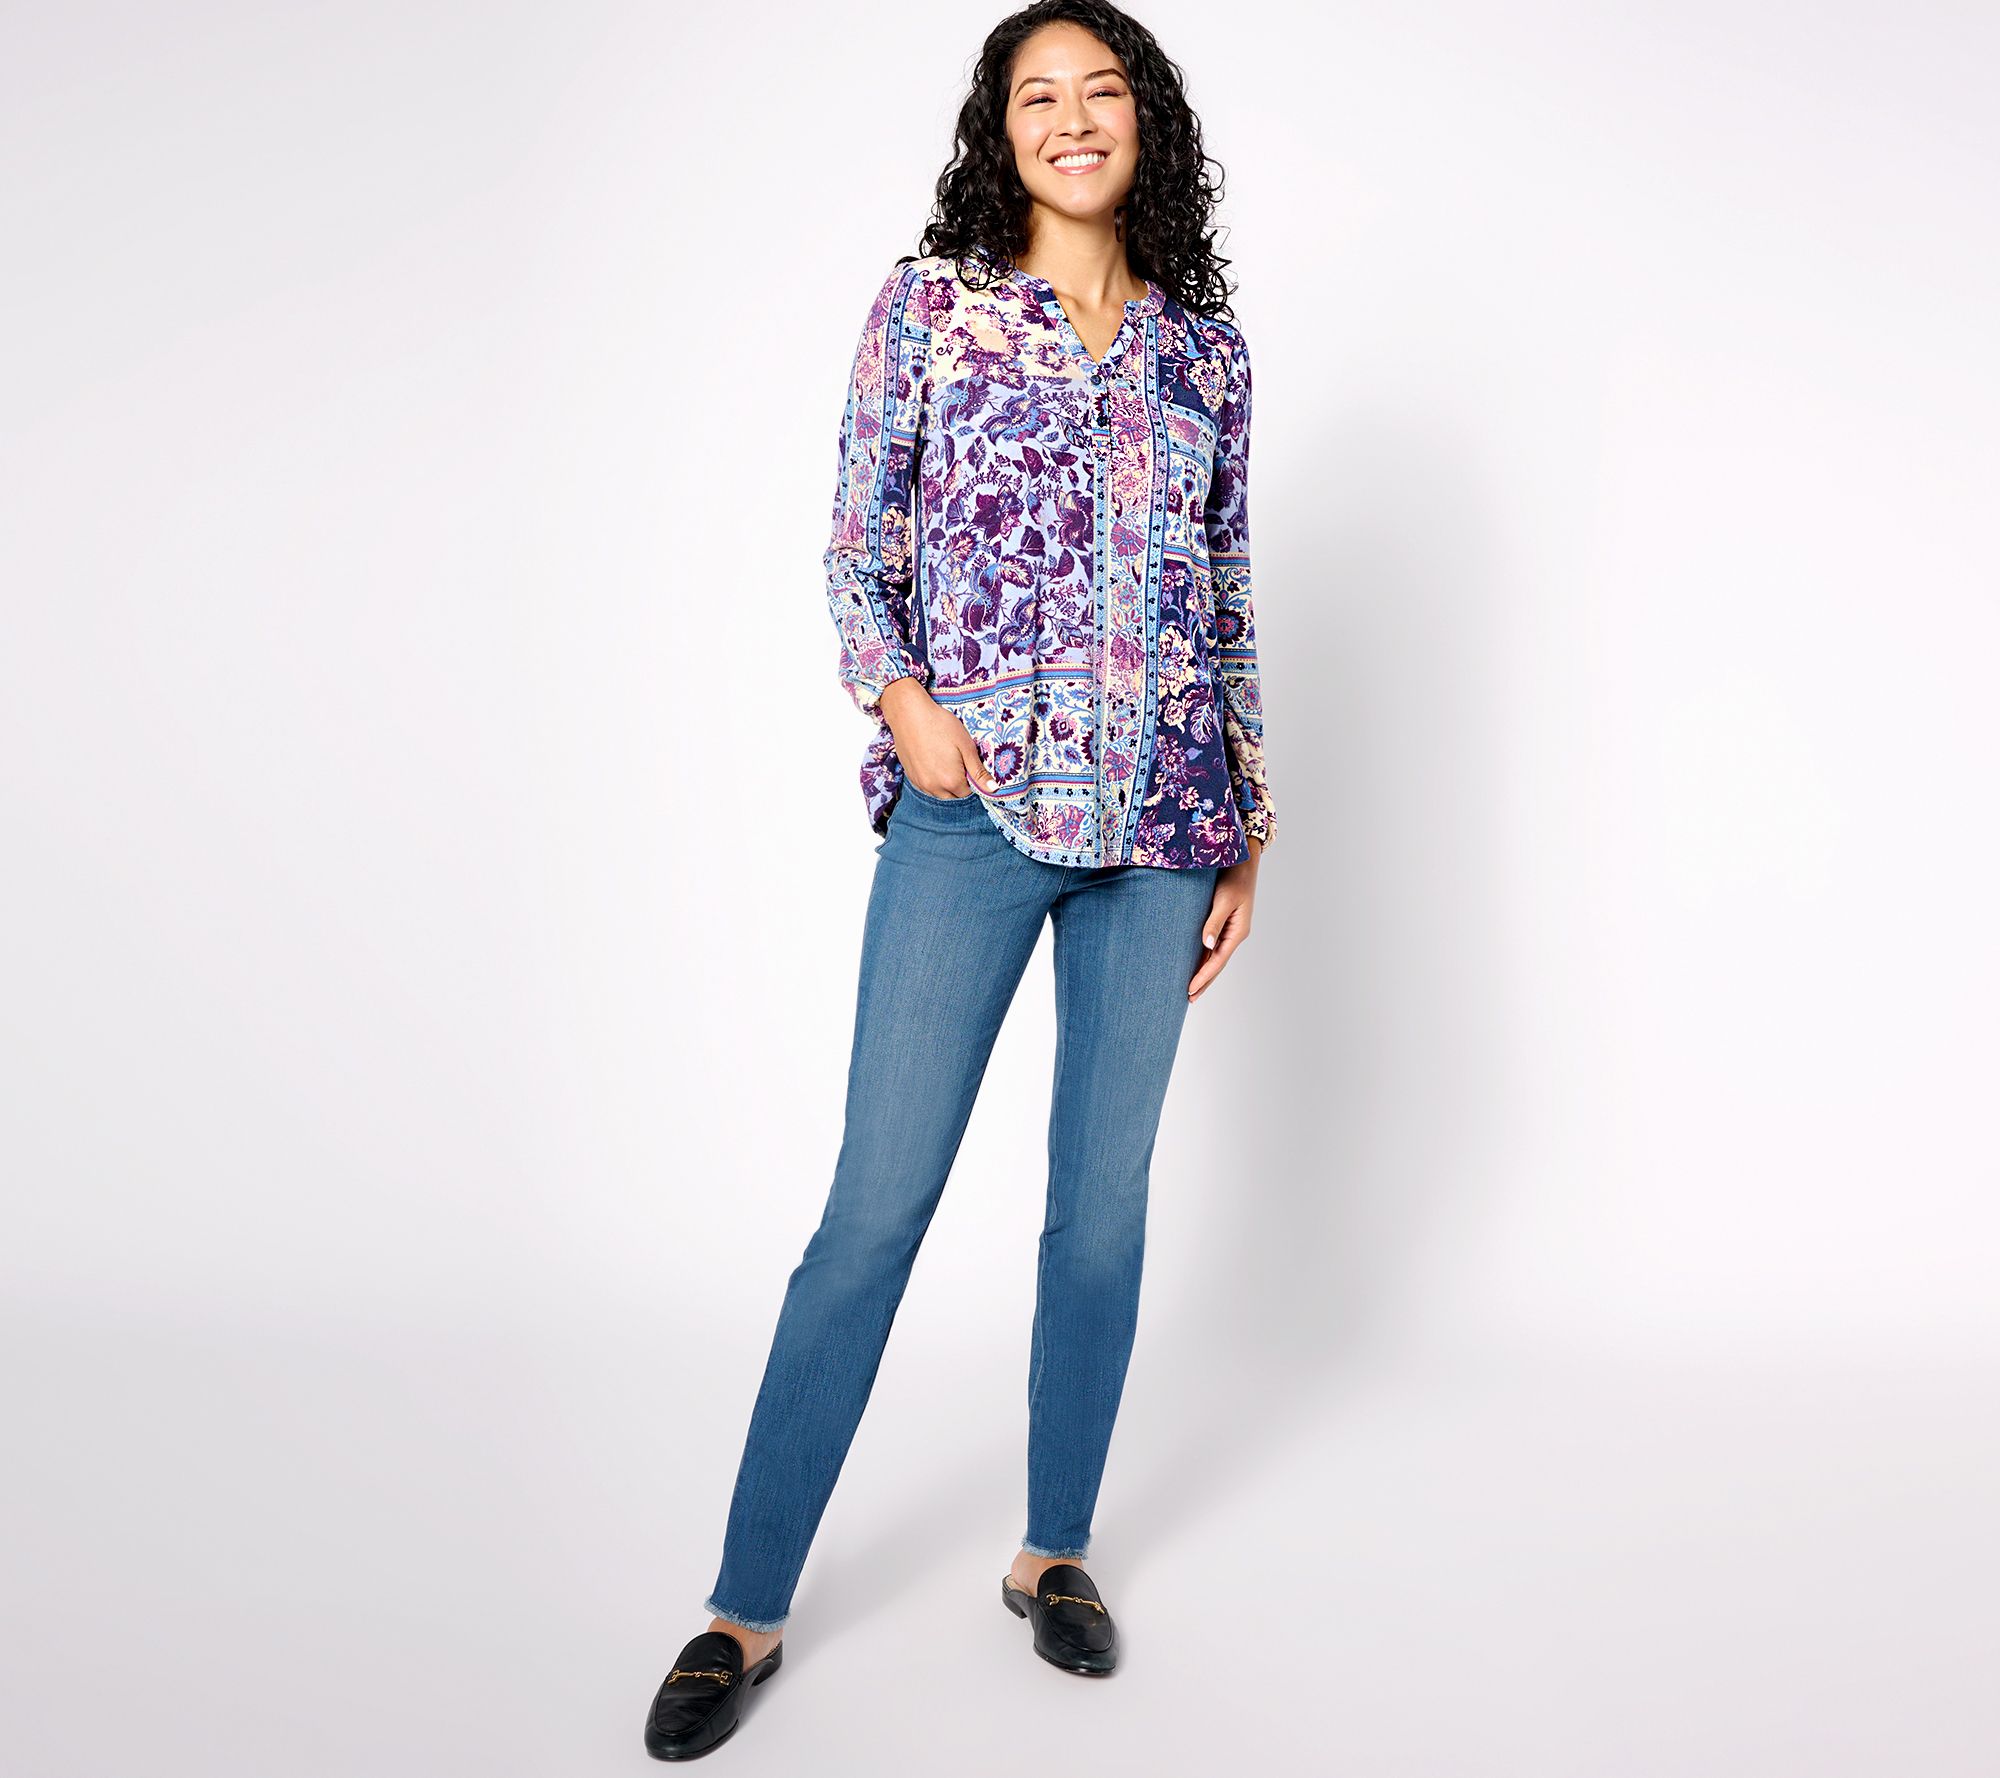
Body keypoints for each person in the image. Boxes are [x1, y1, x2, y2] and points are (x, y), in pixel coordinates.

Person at [646, 0, 1276, 1757]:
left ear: (1146, 121)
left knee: (1104, 1210)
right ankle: (746, 1602)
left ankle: (1053, 1548)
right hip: (974, 809)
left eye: (1100, 90)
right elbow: (859, 538)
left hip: (1164, 824)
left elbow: (1226, 586)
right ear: (1000, 134)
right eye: (1036, 97)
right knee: (875, 1209)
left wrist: (1248, 817)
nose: (1072, 119)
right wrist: (905, 702)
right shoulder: (930, 308)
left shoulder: (1205, 354)